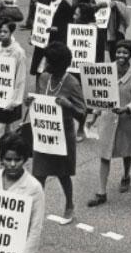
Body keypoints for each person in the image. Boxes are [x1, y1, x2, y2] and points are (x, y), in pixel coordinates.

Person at [29, 42, 87, 223]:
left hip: (62, 134)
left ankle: (69, 204)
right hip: (44, 132)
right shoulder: (44, 77)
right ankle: (35, 210)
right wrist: (29, 102)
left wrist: (69, 106)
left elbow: (82, 112)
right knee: (39, 174)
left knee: (63, 174)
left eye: (49, 62)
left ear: (59, 65)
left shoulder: (72, 83)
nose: (45, 64)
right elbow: (39, 99)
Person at [87, 39, 131, 207]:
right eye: (118, 52)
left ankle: (126, 175)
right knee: (105, 155)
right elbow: (100, 95)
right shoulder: (107, 71)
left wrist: (127, 109)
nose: (121, 55)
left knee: (126, 152)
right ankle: (101, 192)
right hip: (108, 118)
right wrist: (95, 115)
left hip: (126, 120)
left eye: (125, 53)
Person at [0, 18, 26, 174]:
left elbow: (20, 79)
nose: (2, 34)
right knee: (8, 129)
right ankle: (16, 154)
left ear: (11, 32)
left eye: (5, 32)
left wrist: (14, 101)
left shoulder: (18, 52)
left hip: (10, 97)